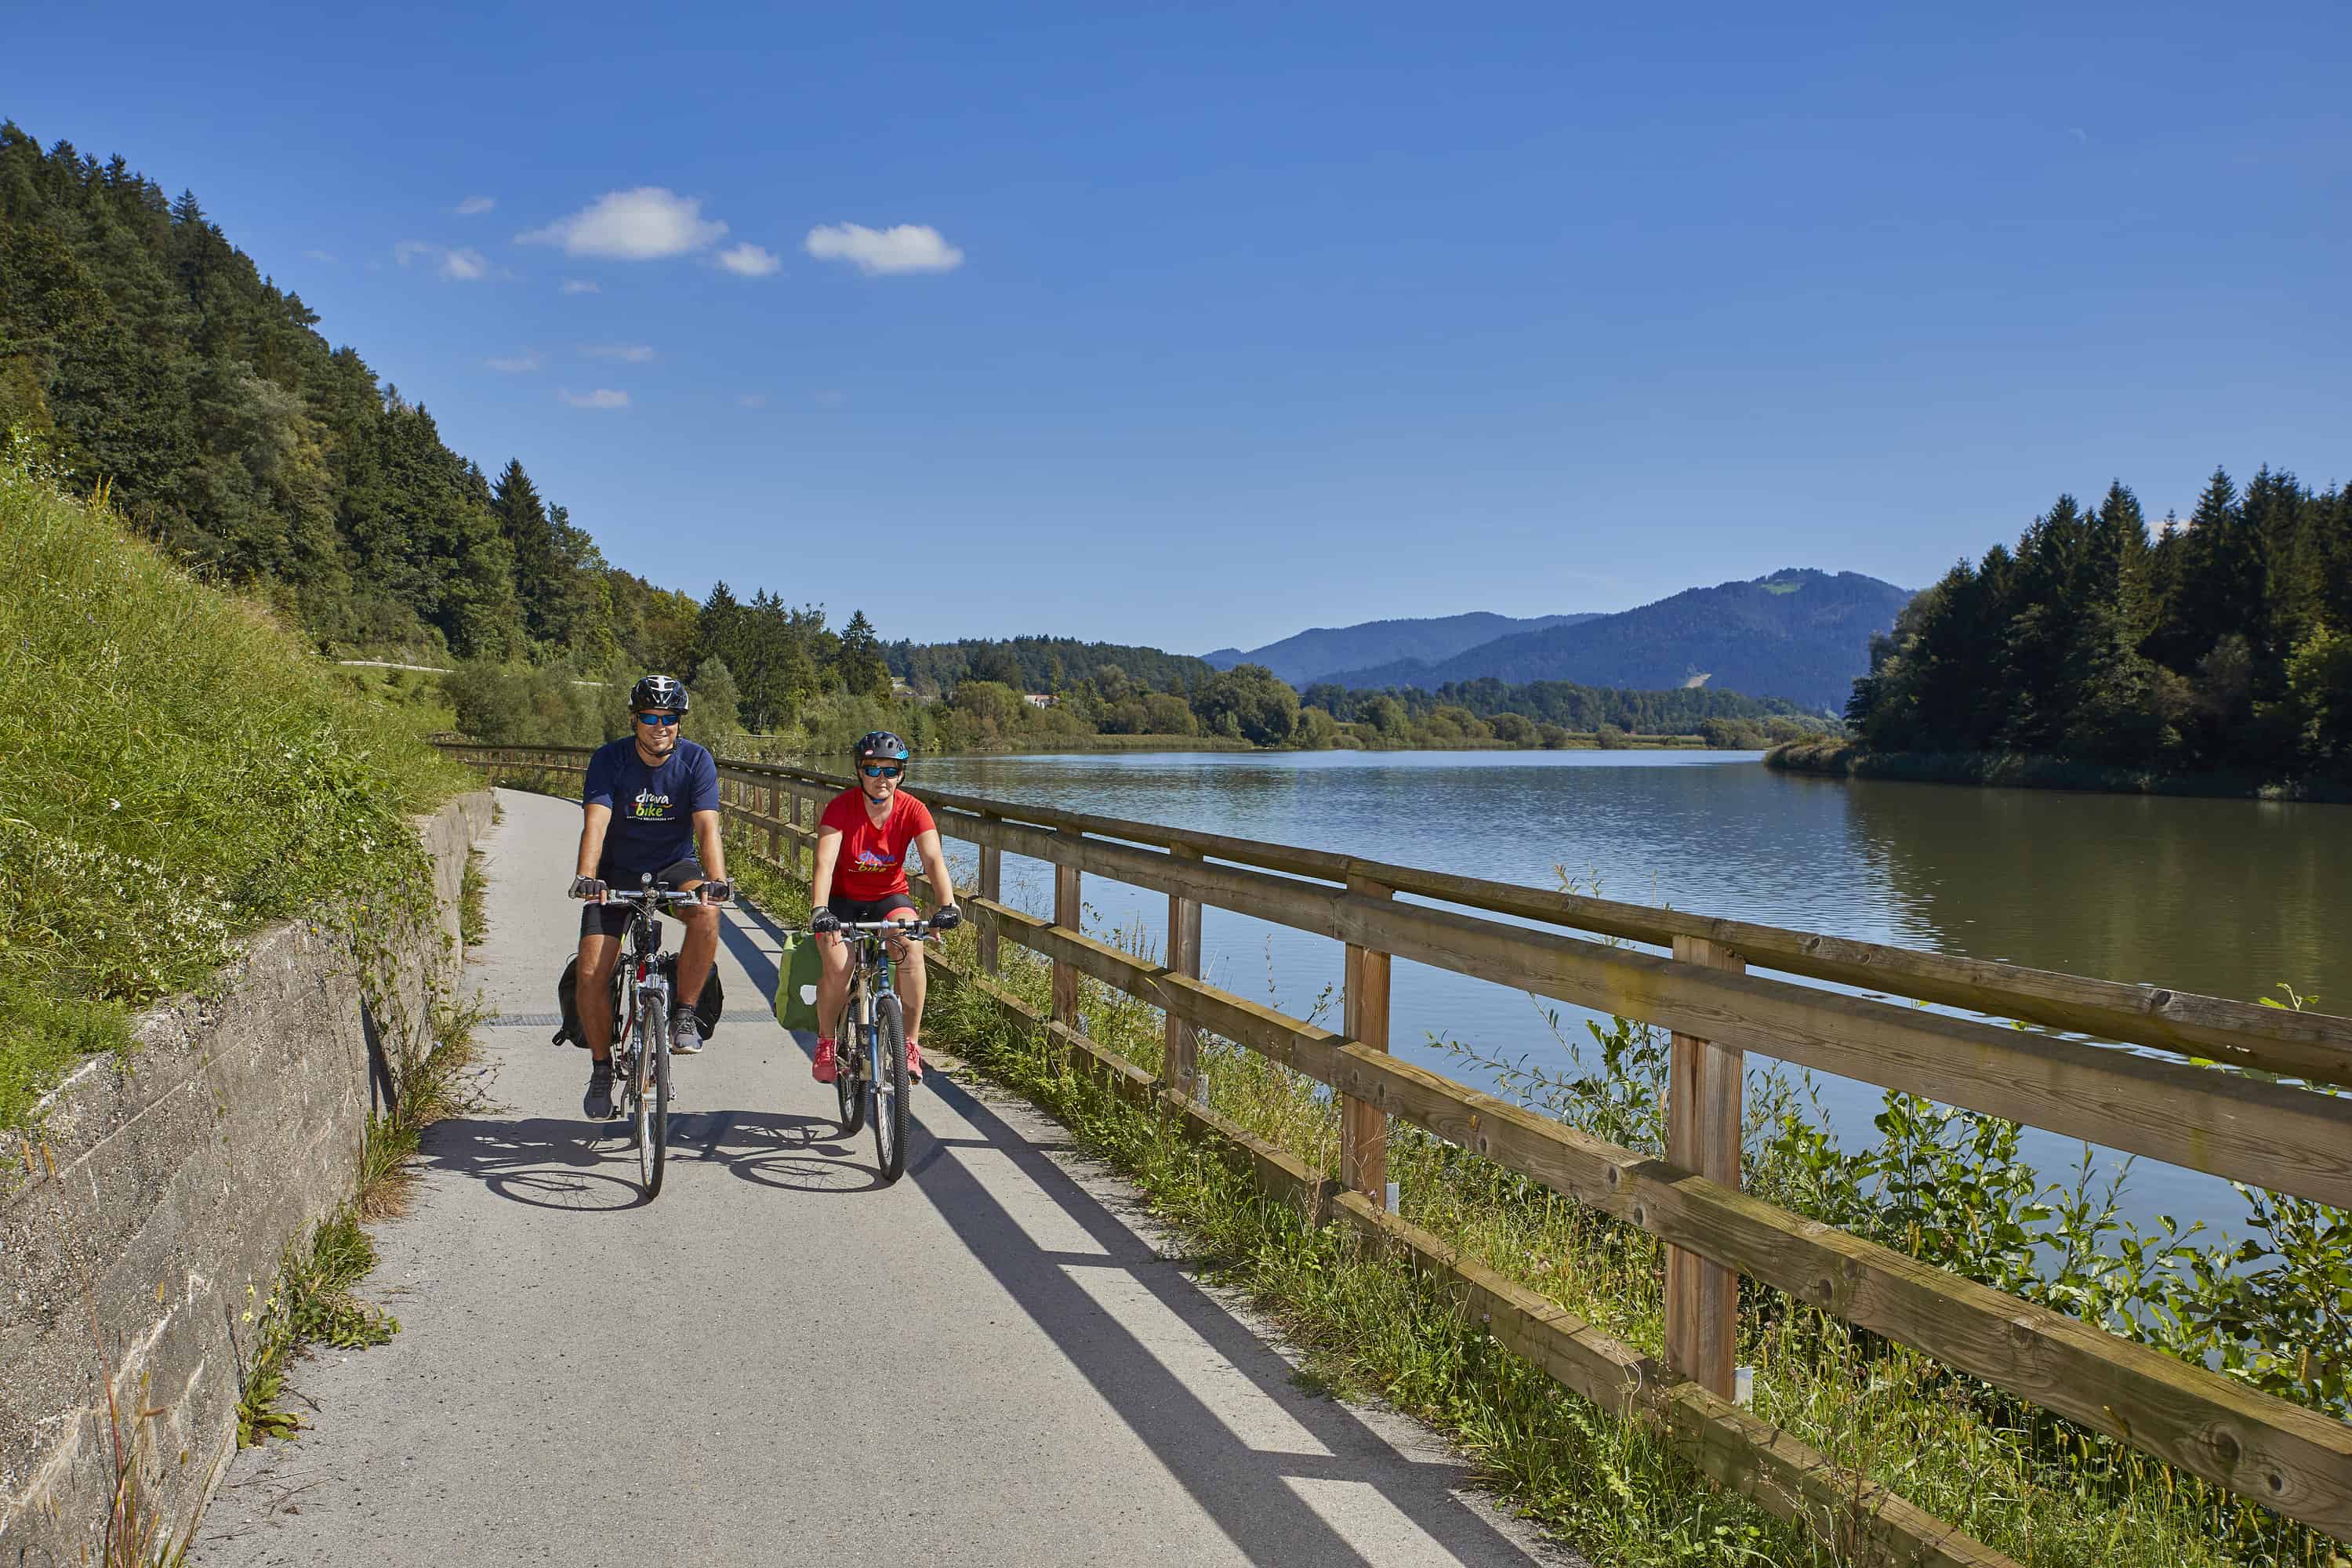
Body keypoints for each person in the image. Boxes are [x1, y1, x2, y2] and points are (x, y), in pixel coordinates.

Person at [568, 674, 731, 1119]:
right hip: (616, 872)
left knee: (706, 913)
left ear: (679, 721)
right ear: (636, 719)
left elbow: (707, 827)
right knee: (590, 972)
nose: (660, 726)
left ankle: (683, 1013)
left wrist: (716, 879)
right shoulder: (610, 760)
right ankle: (602, 1068)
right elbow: (596, 822)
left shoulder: (697, 760)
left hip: (673, 869)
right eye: (650, 717)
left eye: (670, 718)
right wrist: (586, 875)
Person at [808, 731, 960, 1085]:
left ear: (901, 774)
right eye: (872, 770)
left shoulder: (913, 809)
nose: (882, 779)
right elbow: (824, 862)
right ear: (859, 772)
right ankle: (827, 1041)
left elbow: (934, 858)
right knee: (840, 966)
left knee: (911, 946)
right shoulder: (841, 808)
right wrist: (819, 909)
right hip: (842, 901)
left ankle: (909, 1043)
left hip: (889, 897)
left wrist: (947, 904)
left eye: (890, 771)